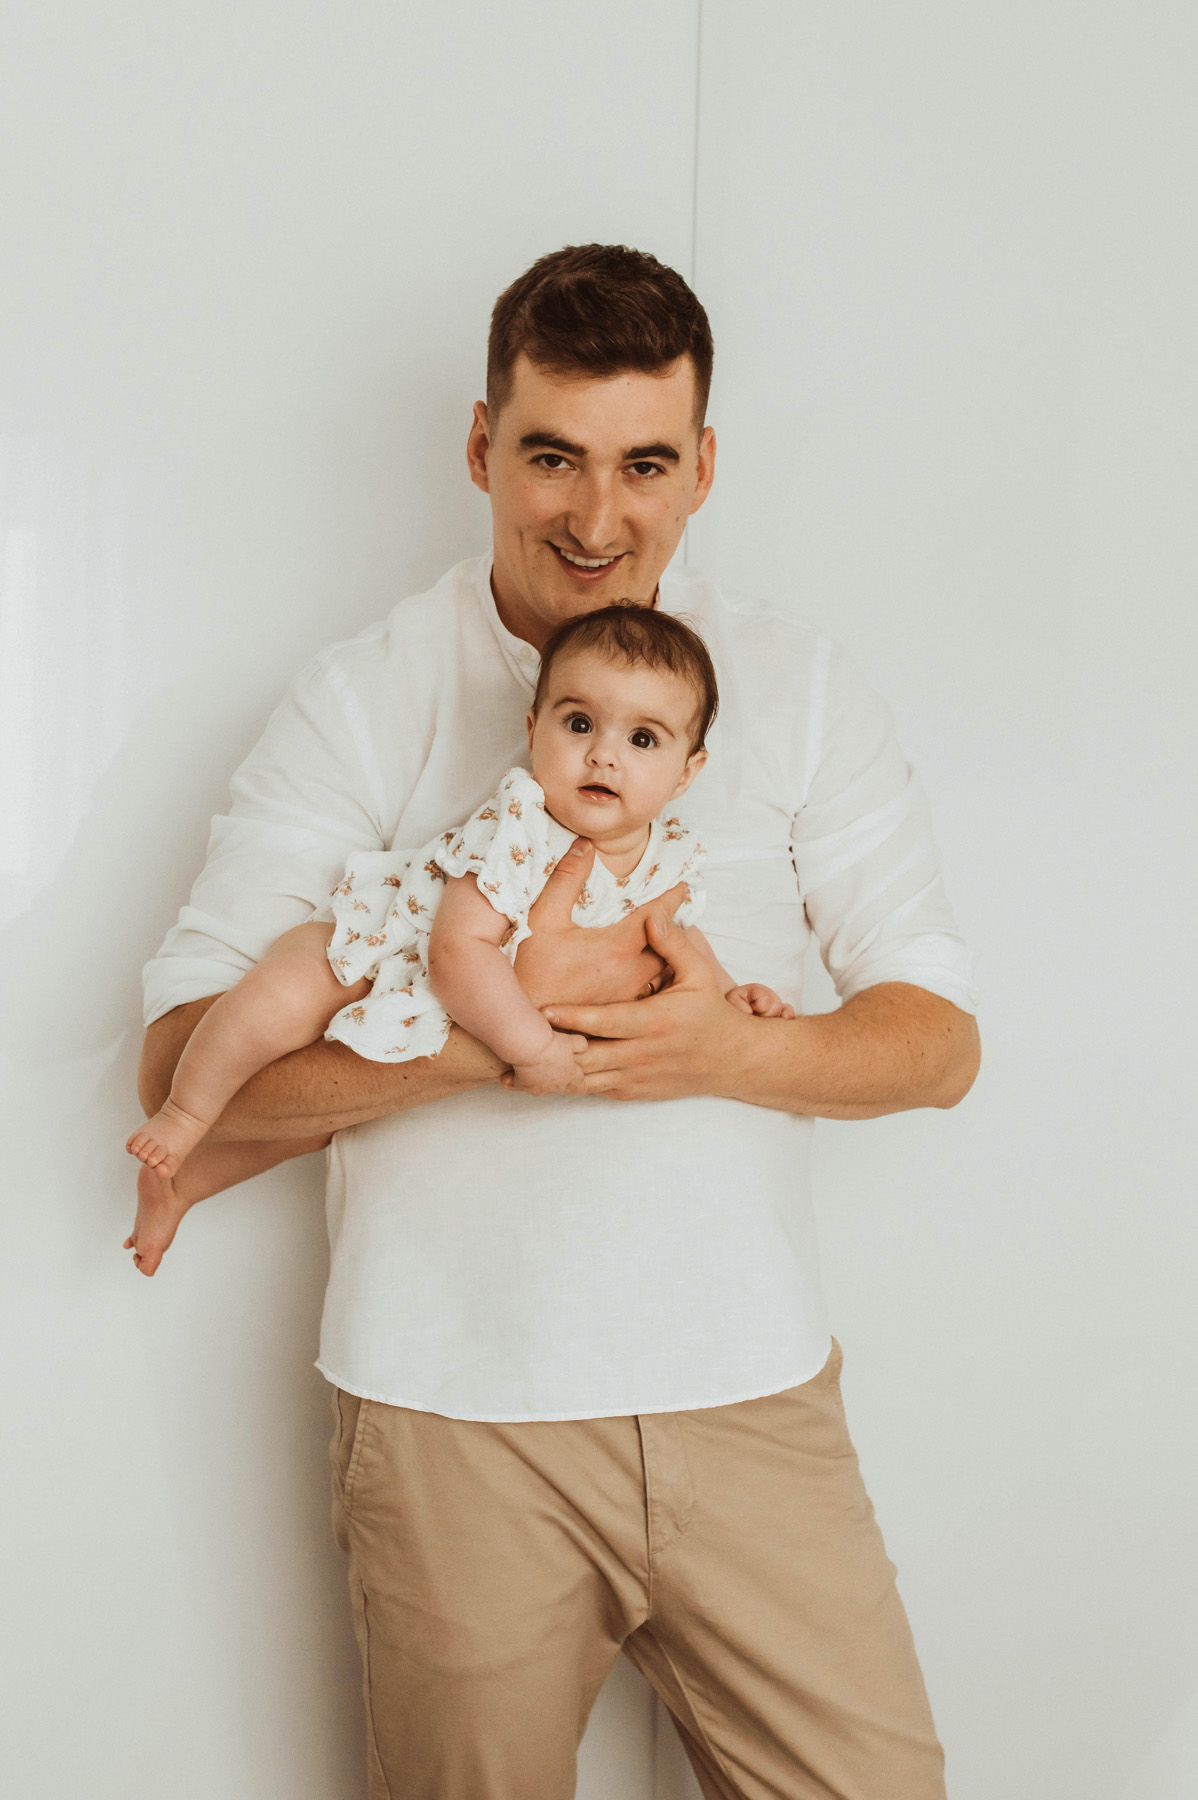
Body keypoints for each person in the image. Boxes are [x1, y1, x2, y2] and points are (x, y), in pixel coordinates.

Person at [138, 242, 980, 1799]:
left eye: (643, 464)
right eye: (551, 457)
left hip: (751, 1398)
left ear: (702, 467)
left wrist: (725, 1049)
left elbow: (937, 1040)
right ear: (479, 447)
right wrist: (504, 1029)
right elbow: (178, 1068)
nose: (596, 518)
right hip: (453, 1426)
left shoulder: (794, 689)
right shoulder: (359, 700)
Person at [124, 607, 793, 1273]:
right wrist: (532, 1047)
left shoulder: (670, 856)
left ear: (686, 772)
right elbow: (457, 949)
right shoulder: (520, 823)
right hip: (381, 945)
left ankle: (185, 1183)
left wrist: (732, 996)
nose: (603, 754)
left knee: (323, 1122)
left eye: (642, 739)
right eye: (578, 724)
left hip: (447, 1002)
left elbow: (677, 939)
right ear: (534, 730)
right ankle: (185, 1115)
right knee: (281, 998)